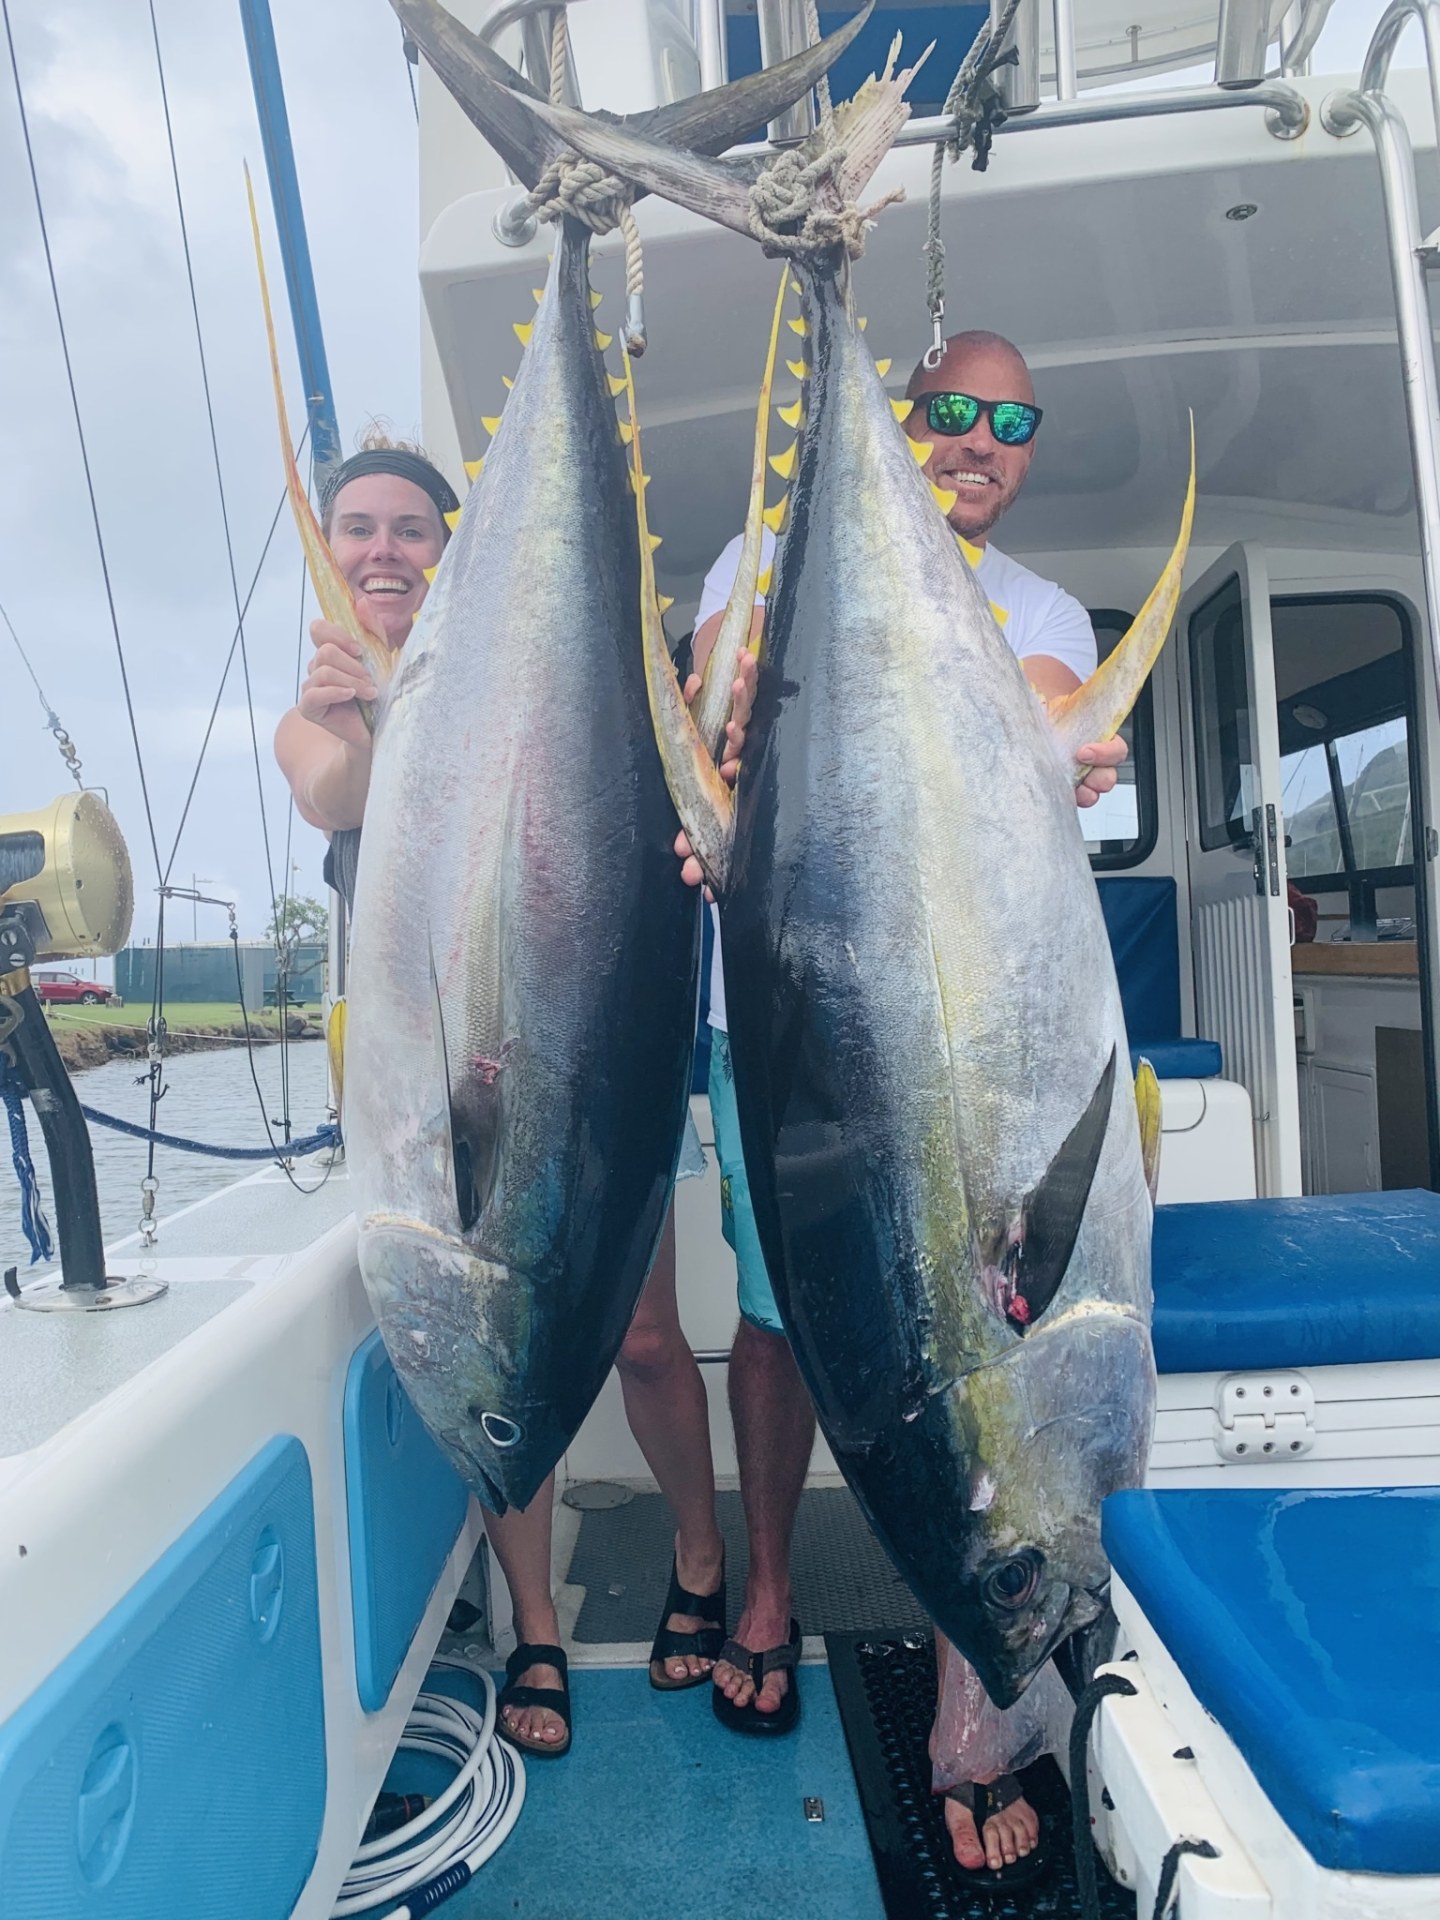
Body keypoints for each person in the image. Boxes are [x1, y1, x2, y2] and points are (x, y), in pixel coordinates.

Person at [678, 331, 1125, 1875]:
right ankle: (768, 1590)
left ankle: (965, 1679)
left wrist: (1066, 737)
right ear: (906, 420)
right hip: (793, 1029)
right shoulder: (777, 545)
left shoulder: (1043, 612)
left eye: (1012, 421)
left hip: (969, 1045)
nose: (980, 442)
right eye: (950, 414)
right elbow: (717, 673)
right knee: (787, 1315)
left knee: (960, 1341)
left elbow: (1066, 702)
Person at [275, 431, 754, 1755]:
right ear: (329, 550)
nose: (383, 549)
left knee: (647, 1336)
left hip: (587, 1045)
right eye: (357, 528)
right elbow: (341, 798)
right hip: (440, 1088)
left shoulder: (527, 680)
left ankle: (700, 1561)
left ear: (453, 549)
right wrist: (378, 706)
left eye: (410, 530)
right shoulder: (323, 708)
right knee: (495, 1357)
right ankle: (535, 1627)